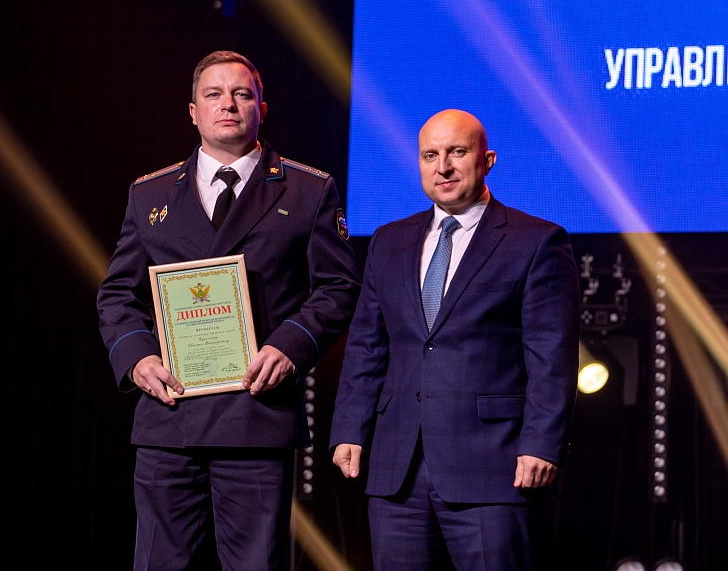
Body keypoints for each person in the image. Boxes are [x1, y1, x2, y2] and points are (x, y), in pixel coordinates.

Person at [97, 50, 361, 571]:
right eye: (214, 95)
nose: (228, 105)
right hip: (170, 417)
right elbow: (117, 293)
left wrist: (290, 348)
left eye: (242, 94)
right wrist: (137, 358)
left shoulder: (309, 190)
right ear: (193, 112)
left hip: (256, 415)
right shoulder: (149, 194)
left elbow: (338, 286)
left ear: (262, 108)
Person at [329, 109, 580, 570]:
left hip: (493, 468)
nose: (442, 167)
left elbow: (552, 358)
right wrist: (349, 427)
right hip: (396, 469)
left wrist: (542, 443)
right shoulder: (388, 241)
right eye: (430, 155)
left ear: (487, 160)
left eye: (456, 152)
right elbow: (367, 346)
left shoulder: (536, 241)